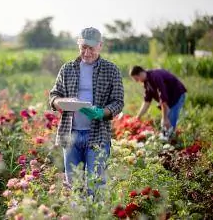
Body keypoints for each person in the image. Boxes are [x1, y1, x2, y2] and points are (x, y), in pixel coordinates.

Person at [49, 27, 124, 196]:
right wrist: (61, 102)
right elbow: (54, 95)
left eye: (91, 48)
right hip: (71, 134)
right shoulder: (67, 69)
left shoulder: (111, 70)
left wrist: (102, 112)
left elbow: (118, 102)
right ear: (78, 45)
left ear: (100, 46)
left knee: (95, 186)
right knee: (73, 187)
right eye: (83, 47)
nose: (87, 52)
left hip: (97, 135)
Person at [129, 65, 187, 138]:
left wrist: (165, 118)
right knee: (165, 124)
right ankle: (167, 140)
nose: (137, 81)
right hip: (169, 100)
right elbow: (146, 102)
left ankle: (171, 141)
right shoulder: (146, 83)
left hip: (177, 96)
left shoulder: (155, 76)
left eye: (136, 79)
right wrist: (138, 117)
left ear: (140, 74)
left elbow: (163, 98)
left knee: (169, 123)